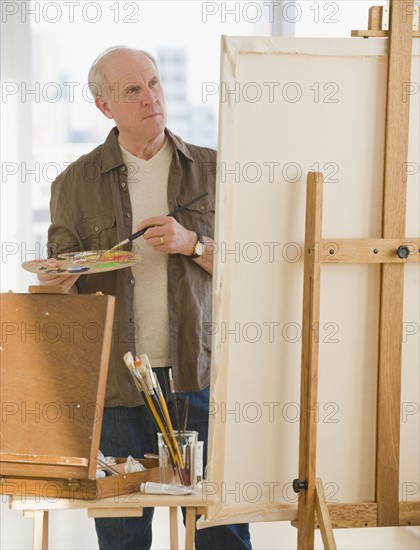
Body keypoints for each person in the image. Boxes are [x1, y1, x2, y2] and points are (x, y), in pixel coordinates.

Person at [41, 46, 252, 550]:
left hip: (197, 375)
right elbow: (63, 286)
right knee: (122, 535)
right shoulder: (72, 185)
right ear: (104, 106)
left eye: (154, 83)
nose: (150, 97)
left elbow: (250, 268)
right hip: (115, 383)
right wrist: (60, 282)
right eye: (132, 89)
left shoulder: (214, 169)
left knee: (221, 530)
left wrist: (192, 243)